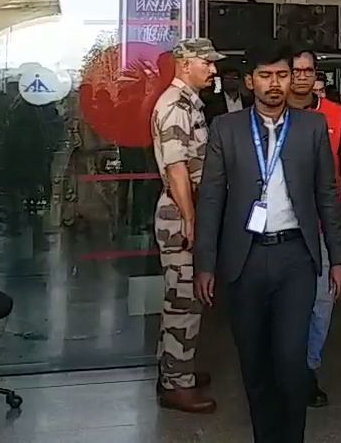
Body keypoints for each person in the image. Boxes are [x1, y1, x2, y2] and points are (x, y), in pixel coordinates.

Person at [195, 40, 341, 443]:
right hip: (244, 259)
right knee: (255, 363)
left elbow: (327, 194)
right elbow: (211, 198)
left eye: (282, 75)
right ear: (250, 82)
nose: (275, 83)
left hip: (296, 257)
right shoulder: (225, 129)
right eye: (266, 76)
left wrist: (338, 257)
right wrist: (205, 264)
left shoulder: (311, 127)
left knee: (290, 359)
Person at [149, 38, 223, 414]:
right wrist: (192, 221)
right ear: (184, 64)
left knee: (182, 297)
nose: (213, 70)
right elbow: (177, 170)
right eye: (206, 63)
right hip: (181, 211)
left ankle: (175, 371)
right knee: (183, 301)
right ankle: (177, 386)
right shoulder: (175, 107)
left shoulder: (187, 105)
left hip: (186, 208)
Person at [287, 49, 341, 408]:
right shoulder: (267, 113)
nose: (301, 77)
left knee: (322, 301)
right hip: (277, 227)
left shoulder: (334, 114)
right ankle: (282, 369)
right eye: (295, 70)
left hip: (321, 225)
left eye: (307, 71)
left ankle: (307, 368)